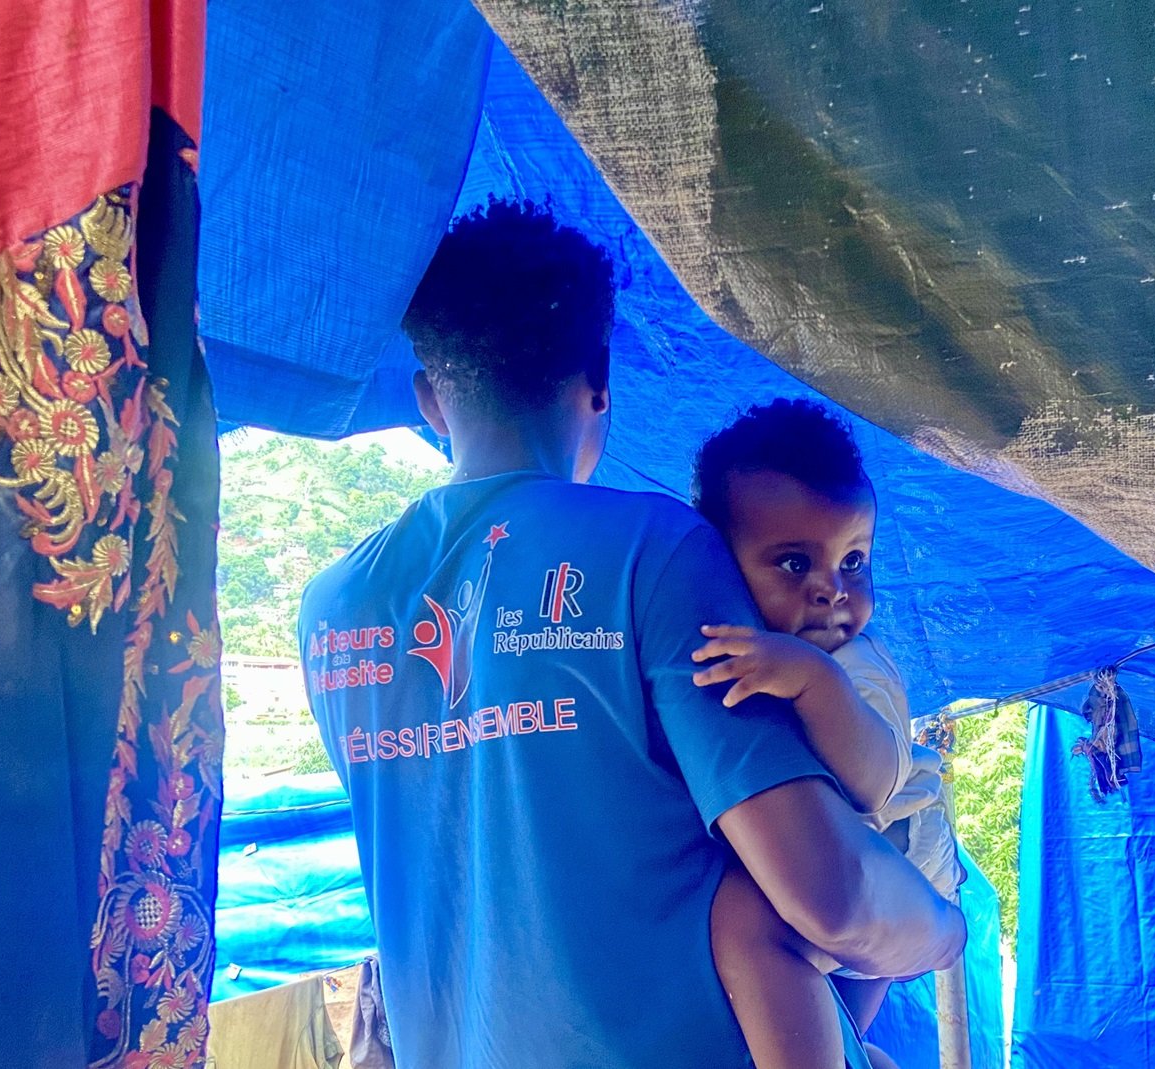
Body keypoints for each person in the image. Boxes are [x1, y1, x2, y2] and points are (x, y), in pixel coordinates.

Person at [298, 199, 964, 1069]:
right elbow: (831, 896)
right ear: (600, 382)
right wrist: (943, 928)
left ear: (430, 396)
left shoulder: (331, 610)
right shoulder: (654, 551)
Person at [690, 400, 965, 1069]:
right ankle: (853, 1052)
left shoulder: (850, 665)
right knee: (824, 1009)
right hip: (852, 866)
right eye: (793, 563)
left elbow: (871, 779)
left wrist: (813, 680)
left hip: (900, 855)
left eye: (854, 560)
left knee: (750, 924)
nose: (831, 591)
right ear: (718, 564)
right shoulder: (754, 647)